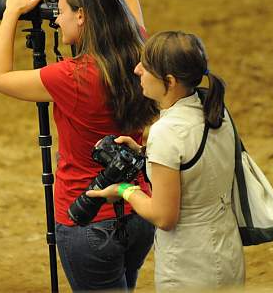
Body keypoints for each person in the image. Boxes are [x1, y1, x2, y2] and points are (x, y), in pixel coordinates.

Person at [0, 0, 158, 291]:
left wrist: (12, 12)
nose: (55, 18)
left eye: (61, 10)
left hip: (86, 219)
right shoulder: (139, 49)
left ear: (81, 16)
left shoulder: (72, 76)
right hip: (137, 210)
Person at [87, 31, 246, 291]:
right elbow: (196, 164)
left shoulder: (166, 132)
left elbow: (164, 217)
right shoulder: (215, 109)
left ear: (169, 81)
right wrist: (145, 153)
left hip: (189, 266)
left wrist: (123, 190)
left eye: (145, 66)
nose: (137, 70)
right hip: (226, 252)